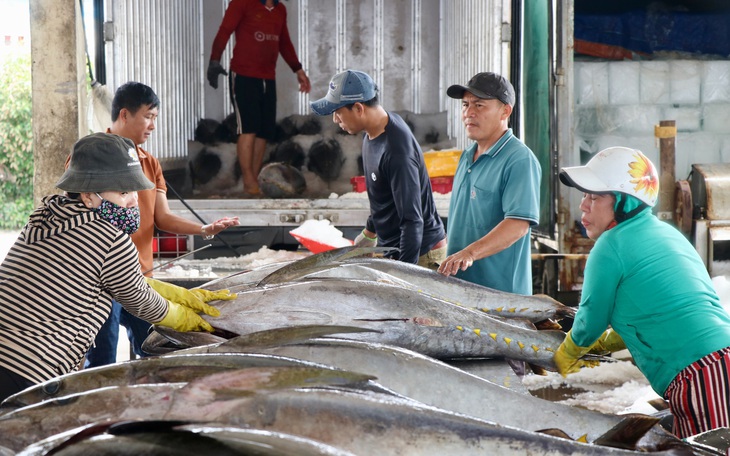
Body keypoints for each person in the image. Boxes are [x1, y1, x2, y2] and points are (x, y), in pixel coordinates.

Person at [0, 133, 234, 402]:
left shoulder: (45, 217)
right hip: (26, 368)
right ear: (88, 196)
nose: (134, 201)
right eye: (123, 192)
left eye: (133, 190)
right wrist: (187, 318)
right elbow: (141, 302)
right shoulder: (108, 236)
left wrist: (182, 295)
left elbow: (102, 277)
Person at [553, 146, 730, 438]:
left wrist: (564, 355)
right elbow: (654, 312)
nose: (583, 205)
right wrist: (605, 343)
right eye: (584, 195)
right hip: (719, 359)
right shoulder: (667, 233)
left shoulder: (610, 246)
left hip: (700, 374)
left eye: (595, 197)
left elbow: (590, 320)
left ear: (624, 201)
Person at [81, 82, 240, 368]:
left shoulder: (150, 163)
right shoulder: (92, 156)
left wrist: (204, 229)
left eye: (156, 118)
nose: (153, 125)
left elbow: (162, 217)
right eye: (148, 116)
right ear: (125, 114)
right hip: (100, 280)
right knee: (102, 358)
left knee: (155, 350)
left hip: (140, 277)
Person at [309, 69, 446, 270]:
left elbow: (412, 221)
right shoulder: (372, 132)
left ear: (358, 108)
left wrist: (402, 275)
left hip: (421, 253)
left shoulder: (397, 151)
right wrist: (369, 233)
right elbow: (385, 196)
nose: (335, 120)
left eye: (338, 113)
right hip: (394, 248)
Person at [437, 72, 541, 296]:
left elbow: (518, 224)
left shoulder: (519, 159)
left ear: (505, 110)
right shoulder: (467, 156)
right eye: (465, 104)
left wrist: (470, 253)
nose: (468, 113)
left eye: (479, 105)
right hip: (460, 290)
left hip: (499, 298)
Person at [207, 0, 312, 196]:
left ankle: (253, 181)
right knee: (248, 129)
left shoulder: (280, 10)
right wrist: (214, 60)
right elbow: (224, 31)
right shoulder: (242, 3)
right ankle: (248, 181)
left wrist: (298, 69)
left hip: (267, 77)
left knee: (264, 132)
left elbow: (284, 42)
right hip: (244, 75)